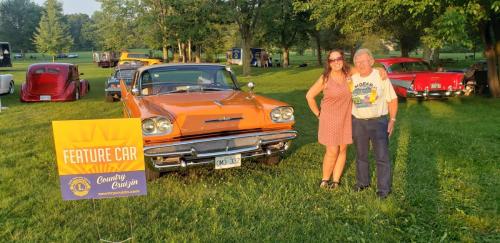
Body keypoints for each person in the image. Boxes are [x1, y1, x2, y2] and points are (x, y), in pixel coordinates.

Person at [350, 48, 398, 199]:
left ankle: (383, 189)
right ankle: (362, 183)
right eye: (357, 62)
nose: (360, 64)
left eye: (364, 61)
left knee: (382, 156)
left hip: (378, 122)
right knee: (361, 155)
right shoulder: (352, 77)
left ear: (371, 61)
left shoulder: (381, 76)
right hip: (358, 122)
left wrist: (392, 119)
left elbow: (392, 99)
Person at [306, 50, 352, 189]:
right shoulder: (325, 78)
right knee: (332, 150)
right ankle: (325, 179)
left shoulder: (349, 74)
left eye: (339, 58)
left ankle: (336, 181)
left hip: (346, 117)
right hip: (330, 119)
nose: (336, 62)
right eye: (333, 60)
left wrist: (380, 70)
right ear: (329, 63)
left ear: (343, 59)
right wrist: (319, 114)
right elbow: (309, 96)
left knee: (343, 149)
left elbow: (365, 69)